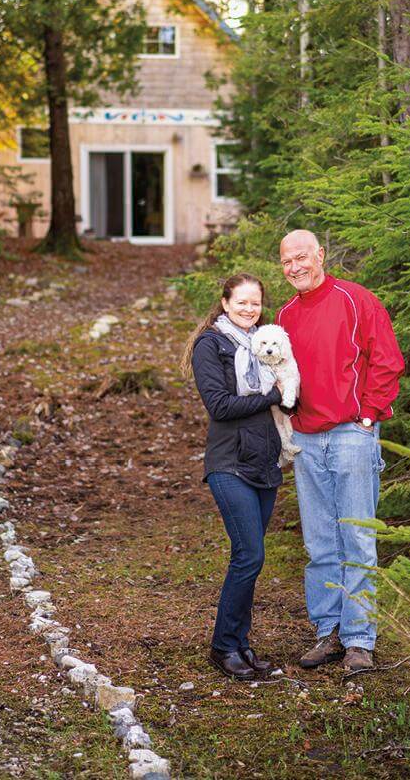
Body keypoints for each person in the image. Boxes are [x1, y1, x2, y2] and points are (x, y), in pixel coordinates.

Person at [276, 230, 405, 673]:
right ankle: (328, 630)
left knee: (358, 539)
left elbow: (387, 360)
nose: (295, 267)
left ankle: (359, 640)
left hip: (351, 433)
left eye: (301, 257)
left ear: (320, 255)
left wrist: (368, 416)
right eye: (286, 262)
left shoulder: (356, 300)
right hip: (306, 440)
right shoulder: (285, 315)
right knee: (319, 544)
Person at [182, 273, 285, 680]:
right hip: (228, 463)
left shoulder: (267, 342)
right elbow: (220, 406)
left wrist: (288, 397)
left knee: (250, 560)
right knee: (250, 554)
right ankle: (224, 646)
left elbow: (287, 389)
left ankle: (241, 643)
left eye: (255, 303)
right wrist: (273, 395)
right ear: (225, 303)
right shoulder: (211, 345)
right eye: (241, 301)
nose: (249, 309)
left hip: (264, 462)